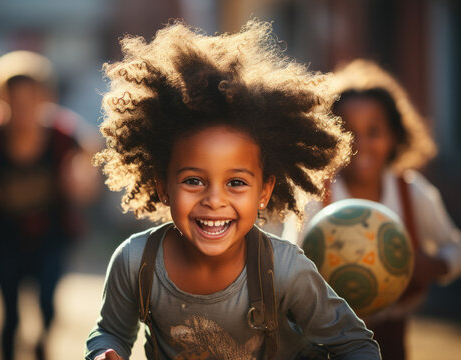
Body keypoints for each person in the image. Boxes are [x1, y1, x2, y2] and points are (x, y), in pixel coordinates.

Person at [85, 20, 380, 360]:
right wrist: (104, 353)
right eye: (193, 180)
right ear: (160, 185)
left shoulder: (284, 269)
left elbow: (356, 344)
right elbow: (111, 331)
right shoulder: (136, 262)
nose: (214, 200)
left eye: (236, 183)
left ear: (264, 190)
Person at [293, 59, 461, 360]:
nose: (362, 144)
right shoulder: (316, 196)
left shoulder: (410, 192)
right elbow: (290, 262)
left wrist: (435, 265)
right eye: (349, 131)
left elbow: (455, 246)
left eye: (374, 131)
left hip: (393, 336)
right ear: (331, 136)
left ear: (395, 135)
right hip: (328, 337)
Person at [0, 51, 100, 360]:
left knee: (48, 307)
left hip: (51, 236)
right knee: (9, 315)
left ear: (45, 98)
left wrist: (80, 179)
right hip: (5, 237)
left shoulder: (62, 132)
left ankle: (41, 347)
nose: (23, 108)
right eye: (14, 99)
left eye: (31, 98)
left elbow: (93, 152)